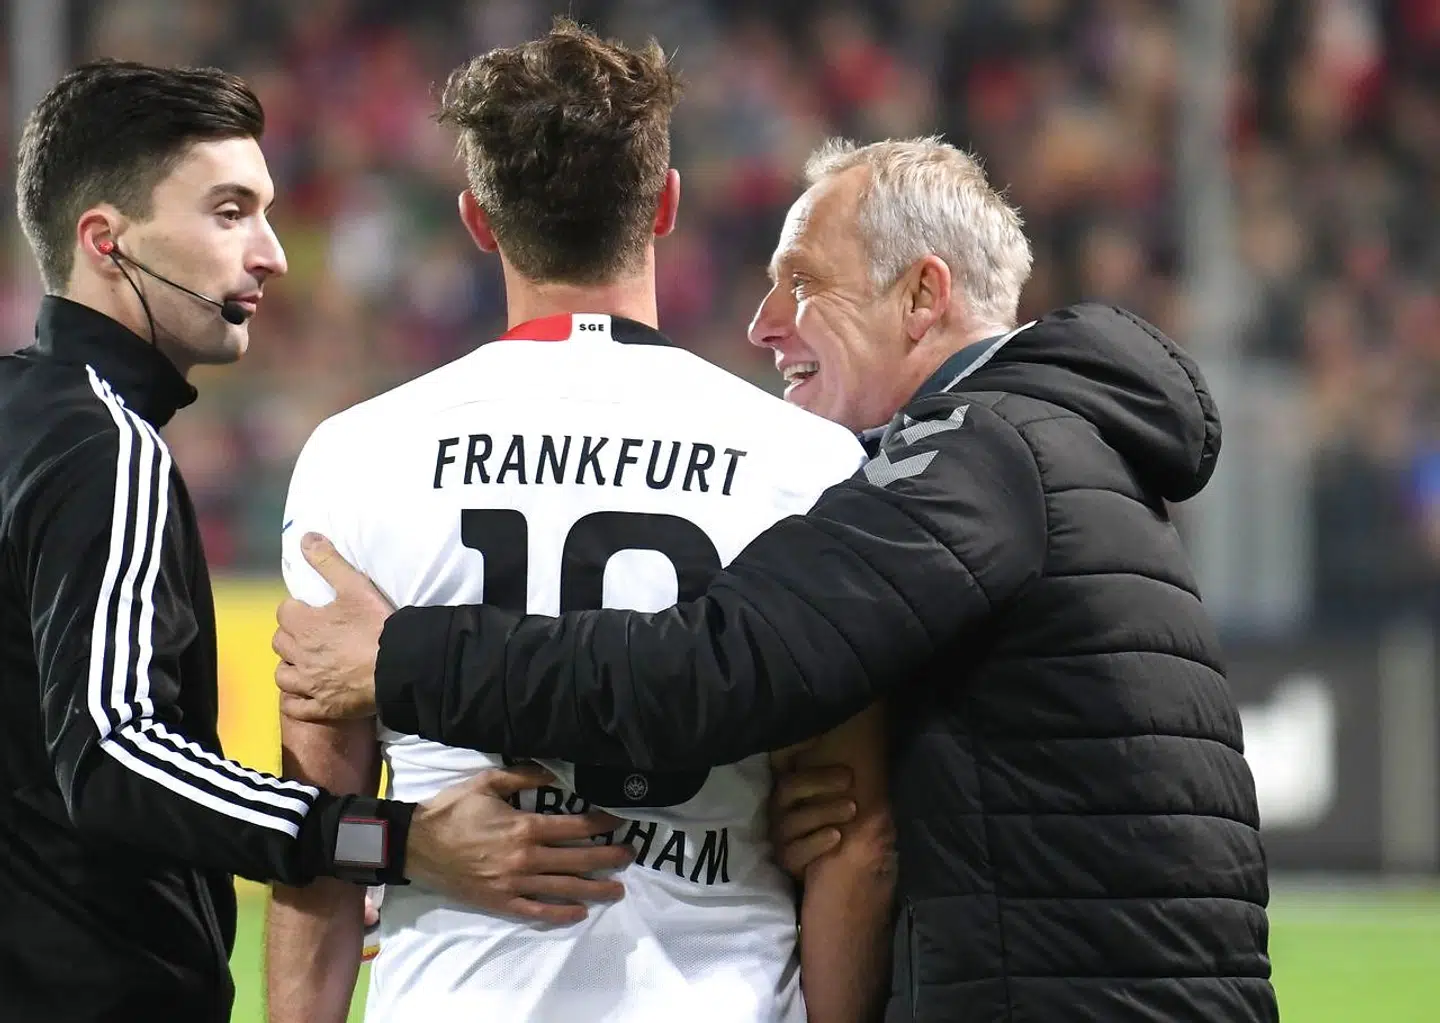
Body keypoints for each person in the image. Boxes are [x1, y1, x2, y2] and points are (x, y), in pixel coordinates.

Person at [276, 134, 1281, 1022]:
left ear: (923, 296)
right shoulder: (1031, 446)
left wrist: (401, 653)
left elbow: (712, 673)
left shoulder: (978, 461)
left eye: (803, 283)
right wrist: (796, 811)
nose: (762, 324)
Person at [266, 21, 894, 1023]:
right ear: (668, 206)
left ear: (477, 220)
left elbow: (317, 833)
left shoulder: (355, 457)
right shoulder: (807, 465)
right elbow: (857, 839)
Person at [0, 59, 629, 1023]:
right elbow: (116, 756)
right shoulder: (105, 445)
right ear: (106, 241)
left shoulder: (22, 417)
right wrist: (392, 838)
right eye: (227, 211)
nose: (271, 252)